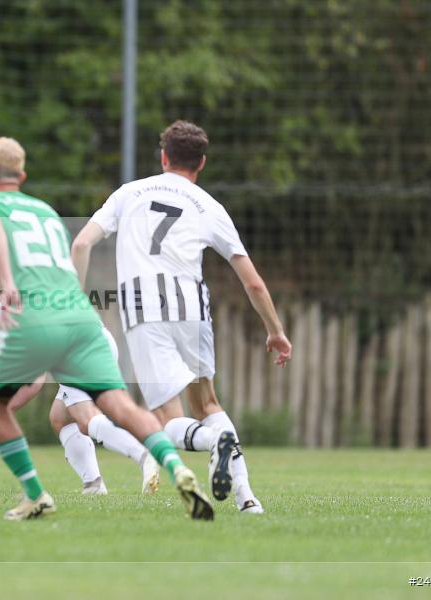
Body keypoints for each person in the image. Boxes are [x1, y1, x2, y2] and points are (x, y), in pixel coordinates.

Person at [0, 137, 214, 521]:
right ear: (22, 176)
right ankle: (177, 467)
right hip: (81, 320)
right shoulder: (44, 211)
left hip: (39, 320)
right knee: (119, 406)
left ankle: (35, 495)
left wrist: (4, 282)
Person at [71, 121, 293, 514]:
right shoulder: (210, 206)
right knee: (208, 405)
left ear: (163, 157)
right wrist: (275, 331)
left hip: (145, 311)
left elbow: (82, 241)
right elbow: (254, 283)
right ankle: (247, 499)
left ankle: (211, 444)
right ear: (202, 163)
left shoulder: (130, 193)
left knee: (166, 418)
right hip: (193, 307)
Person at [0, 272, 160, 496]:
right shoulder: (2, 301)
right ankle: (94, 484)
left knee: (85, 418)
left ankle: (144, 455)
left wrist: (2, 406)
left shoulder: (2, 291)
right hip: (92, 340)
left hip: (78, 348)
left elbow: (37, 369)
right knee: (61, 418)